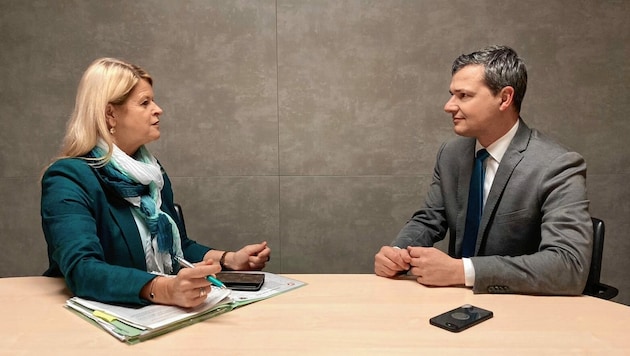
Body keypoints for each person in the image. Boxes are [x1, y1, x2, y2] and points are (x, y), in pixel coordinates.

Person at [41, 58, 271, 307]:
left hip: (156, 313)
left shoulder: (151, 173)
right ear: (110, 114)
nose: (158, 109)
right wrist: (164, 289)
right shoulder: (68, 178)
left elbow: (178, 247)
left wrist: (230, 259)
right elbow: (83, 270)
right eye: (144, 102)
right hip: (96, 322)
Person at [374, 45, 592, 295]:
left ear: (505, 98)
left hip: (523, 312)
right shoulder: (451, 154)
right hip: (454, 306)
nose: (448, 106)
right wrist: (398, 253)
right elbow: (429, 219)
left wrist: (462, 271)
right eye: (451, 94)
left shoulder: (557, 165)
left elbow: (569, 266)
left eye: (463, 95)